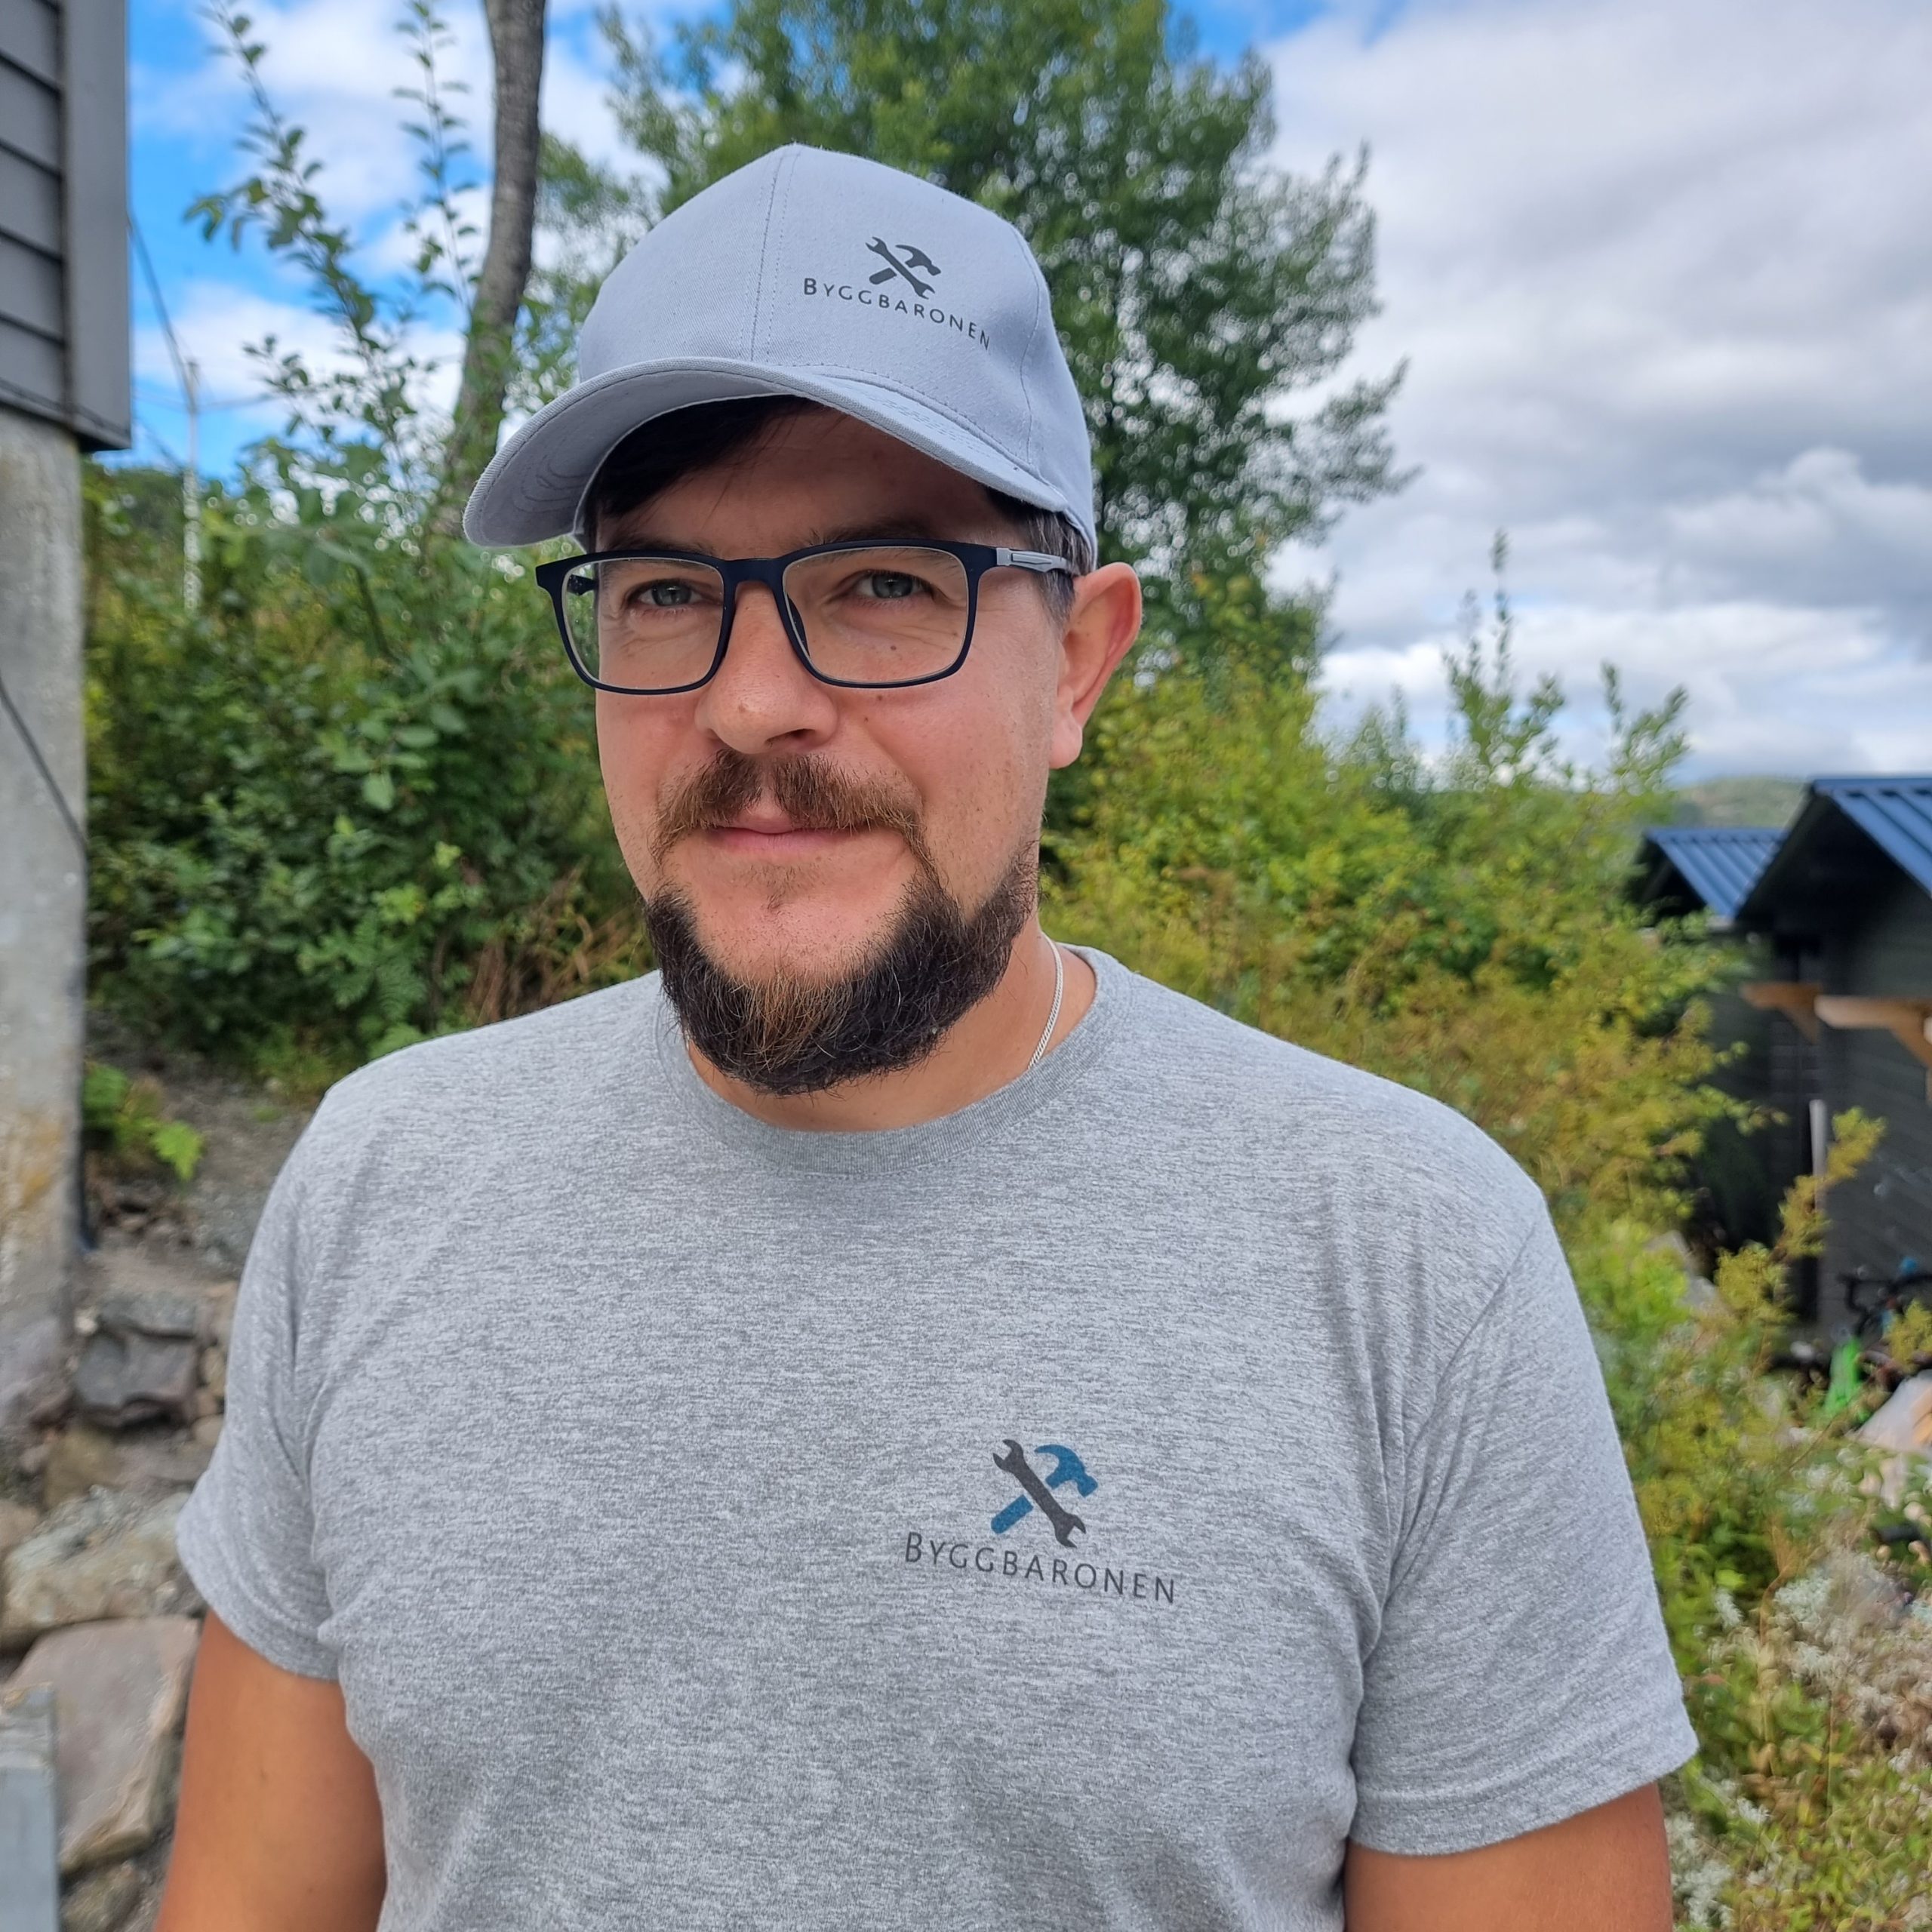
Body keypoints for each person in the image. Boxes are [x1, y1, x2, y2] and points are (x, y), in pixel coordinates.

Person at [157, 145, 1696, 1932]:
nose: (751, 700)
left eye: (885, 582)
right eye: (662, 591)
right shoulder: (381, 1180)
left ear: (1078, 663)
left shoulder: (1404, 1257)